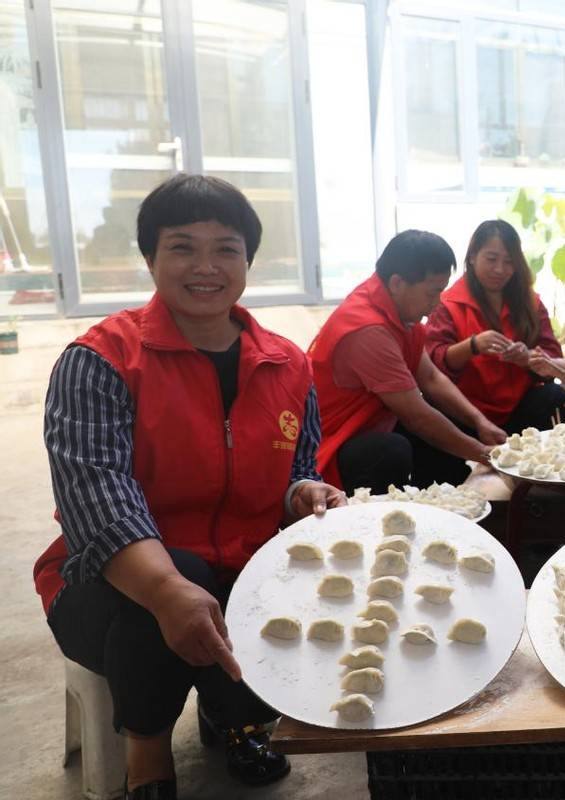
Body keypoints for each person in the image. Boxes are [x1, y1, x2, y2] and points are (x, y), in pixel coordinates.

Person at [31, 174, 346, 800]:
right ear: (150, 258)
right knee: (176, 585)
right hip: (108, 587)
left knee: (293, 587)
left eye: (225, 249)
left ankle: (238, 722)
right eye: (182, 247)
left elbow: (294, 469)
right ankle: (145, 752)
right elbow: (97, 498)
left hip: (237, 568)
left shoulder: (288, 364)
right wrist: (169, 587)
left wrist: (304, 493)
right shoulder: (101, 359)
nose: (206, 267)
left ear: (248, 261)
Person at [309, 230, 508, 493]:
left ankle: (449, 508)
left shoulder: (396, 309)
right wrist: (485, 454)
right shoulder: (367, 329)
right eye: (431, 293)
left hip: (375, 423)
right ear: (397, 283)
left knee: (448, 422)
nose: (437, 303)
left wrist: (479, 421)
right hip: (331, 444)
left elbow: (431, 378)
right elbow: (416, 416)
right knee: (392, 449)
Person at [425, 219, 565, 432]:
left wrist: (528, 359)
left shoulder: (531, 303)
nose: (499, 269)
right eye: (491, 259)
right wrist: (472, 346)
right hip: (464, 412)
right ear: (473, 257)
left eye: (509, 262)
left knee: (555, 396)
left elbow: (555, 363)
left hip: (519, 410)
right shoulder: (447, 304)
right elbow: (433, 368)